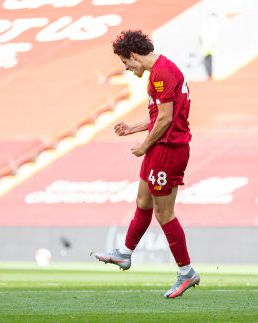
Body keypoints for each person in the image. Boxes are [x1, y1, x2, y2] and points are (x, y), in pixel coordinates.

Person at [92, 30, 199, 299]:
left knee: (164, 214)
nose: (127, 68)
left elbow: (165, 120)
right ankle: (125, 254)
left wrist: (144, 145)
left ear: (134, 55)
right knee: (143, 202)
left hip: (168, 149)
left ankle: (186, 271)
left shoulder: (162, 73)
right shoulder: (161, 71)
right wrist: (133, 128)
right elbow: (161, 117)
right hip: (160, 146)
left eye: (126, 63)